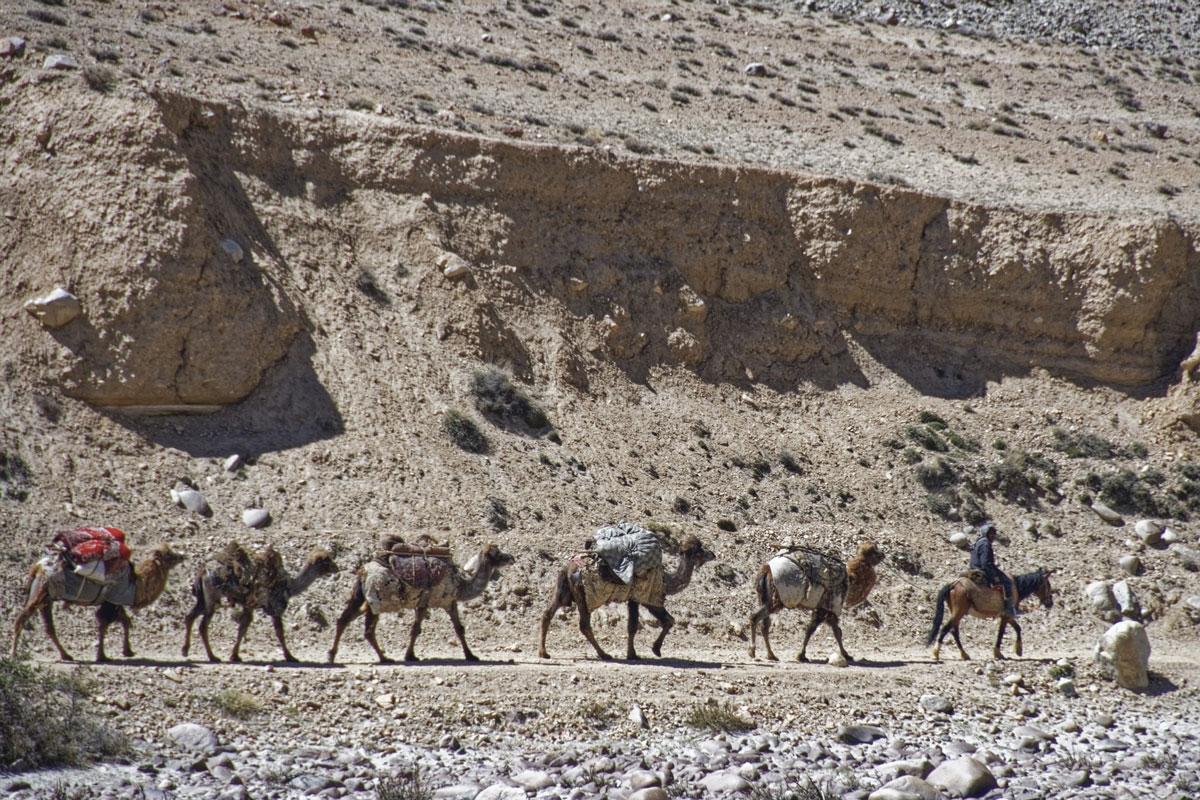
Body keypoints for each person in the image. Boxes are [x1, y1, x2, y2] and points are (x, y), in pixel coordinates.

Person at [970, 522, 1020, 617]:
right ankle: (1008, 610)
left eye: (993, 534)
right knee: (1007, 582)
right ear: (986, 534)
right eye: (991, 534)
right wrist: (995, 576)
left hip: (973, 568)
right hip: (982, 569)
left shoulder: (977, 542)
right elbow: (986, 563)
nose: (993, 536)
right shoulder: (985, 544)